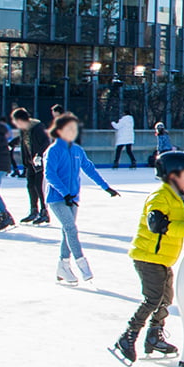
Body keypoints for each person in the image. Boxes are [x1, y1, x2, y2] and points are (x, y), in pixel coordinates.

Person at [111, 148, 184, 364]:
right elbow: (156, 224)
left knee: (166, 299)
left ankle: (154, 335)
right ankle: (128, 336)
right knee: (153, 298)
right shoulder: (160, 196)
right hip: (147, 256)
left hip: (162, 259)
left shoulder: (180, 199)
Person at [45, 112, 121, 284]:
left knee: (67, 231)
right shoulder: (54, 150)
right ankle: (82, 264)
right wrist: (64, 193)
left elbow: (89, 169)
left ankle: (62, 266)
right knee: (71, 228)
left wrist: (106, 187)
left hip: (73, 198)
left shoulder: (77, 150)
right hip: (57, 198)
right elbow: (50, 174)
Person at [12, 109, 53, 225]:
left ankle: (44, 212)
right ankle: (33, 211)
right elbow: (22, 141)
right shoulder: (23, 129)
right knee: (30, 185)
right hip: (30, 162)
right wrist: (10, 145)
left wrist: (39, 155)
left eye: (16, 121)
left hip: (39, 162)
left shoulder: (37, 127)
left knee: (39, 187)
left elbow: (46, 142)